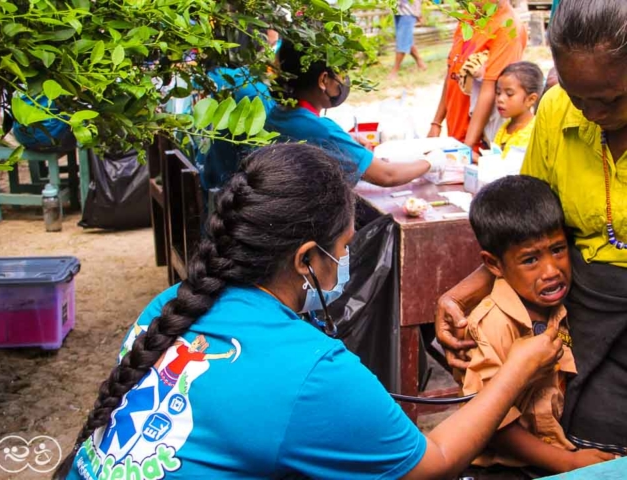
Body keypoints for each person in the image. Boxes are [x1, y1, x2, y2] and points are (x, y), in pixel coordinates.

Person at [56, 143, 562, 480]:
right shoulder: (311, 373)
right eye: (343, 248)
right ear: (305, 259)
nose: (345, 260)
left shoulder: (168, 305)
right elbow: (433, 465)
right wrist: (516, 370)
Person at [435, 0, 627, 456]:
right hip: (586, 317)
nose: (594, 112)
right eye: (581, 97)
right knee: (590, 442)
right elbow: (529, 232)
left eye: (612, 98)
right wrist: (461, 295)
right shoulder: (559, 111)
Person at [458, 176, 613, 477]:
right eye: (530, 260)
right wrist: (565, 463)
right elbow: (492, 422)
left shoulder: (561, 307)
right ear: (494, 265)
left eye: (558, 250)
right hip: (505, 467)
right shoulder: (491, 325)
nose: (551, 271)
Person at [266, 41, 445, 187]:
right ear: (323, 80)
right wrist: (430, 162)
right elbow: (387, 175)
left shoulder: (276, 113)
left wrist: (344, 141)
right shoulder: (322, 130)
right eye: (341, 75)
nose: (343, 82)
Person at [428, 0, 527, 160]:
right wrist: (437, 123)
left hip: (477, 146)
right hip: (455, 136)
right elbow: (452, 70)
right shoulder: (469, 18)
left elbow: (490, 88)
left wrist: (467, 148)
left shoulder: (508, 28)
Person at [493, 62, 544, 158]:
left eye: (509, 94)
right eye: (498, 92)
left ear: (531, 99)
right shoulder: (505, 127)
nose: (500, 99)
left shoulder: (534, 133)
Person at [388, 0, 427, 79]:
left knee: (402, 41)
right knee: (407, 40)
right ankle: (421, 64)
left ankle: (395, 71)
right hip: (397, 10)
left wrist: (418, 13)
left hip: (408, 11)